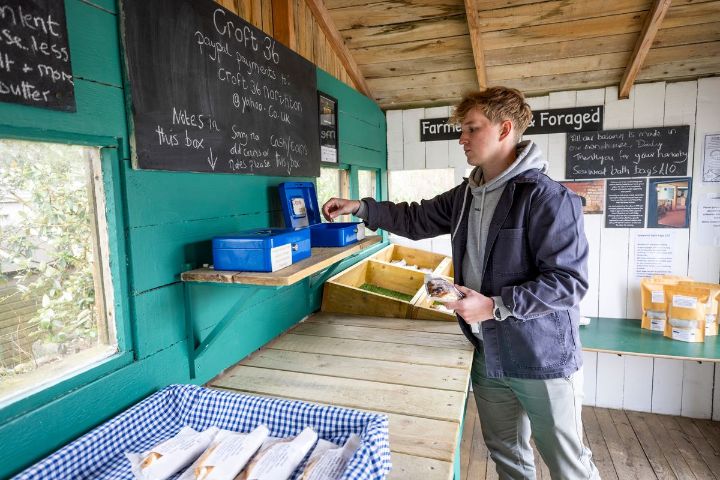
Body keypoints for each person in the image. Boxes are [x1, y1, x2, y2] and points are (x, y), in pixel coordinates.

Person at [321, 87, 599, 480]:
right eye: (462, 129)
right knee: (507, 457)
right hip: (488, 352)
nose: (461, 138)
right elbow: (416, 218)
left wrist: (494, 305)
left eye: (472, 128)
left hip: (543, 358)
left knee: (569, 466)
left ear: (505, 129)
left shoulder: (549, 198)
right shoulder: (468, 193)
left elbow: (568, 282)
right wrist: (362, 207)